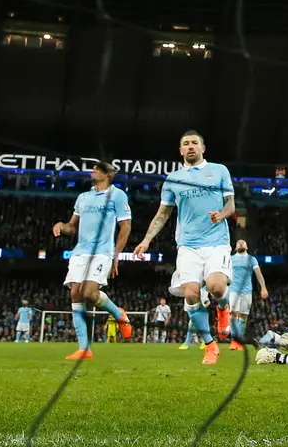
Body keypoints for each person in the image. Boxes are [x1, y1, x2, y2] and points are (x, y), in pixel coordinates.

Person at [134, 130, 235, 365]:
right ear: (180, 151)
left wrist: (221, 215)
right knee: (190, 293)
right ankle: (210, 346)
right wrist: (146, 240)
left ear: (203, 148)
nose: (191, 147)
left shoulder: (219, 170)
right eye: (186, 144)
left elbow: (230, 204)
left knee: (216, 288)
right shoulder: (173, 179)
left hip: (216, 242)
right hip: (188, 245)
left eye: (195, 143)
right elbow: (162, 214)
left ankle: (223, 307)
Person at [52, 162, 134, 360]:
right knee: (75, 293)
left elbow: (126, 227)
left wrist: (116, 254)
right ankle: (84, 349)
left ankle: (118, 313)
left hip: (102, 252)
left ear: (108, 174)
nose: (92, 171)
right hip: (80, 252)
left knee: (89, 293)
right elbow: (73, 226)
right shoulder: (83, 197)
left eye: (96, 169)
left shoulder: (118, 195)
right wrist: (62, 226)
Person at [228, 240, 268, 350]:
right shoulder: (231, 259)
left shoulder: (252, 259)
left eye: (243, 242)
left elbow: (258, 274)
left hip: (247, 291)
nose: (241, 243)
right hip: (234, 289)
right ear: (235, 247)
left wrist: (263, 288)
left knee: (243, 316)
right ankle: (234, 341)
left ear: (247, 247)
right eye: (238, 242)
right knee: (233, 314)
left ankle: (239, 340)